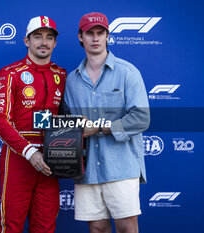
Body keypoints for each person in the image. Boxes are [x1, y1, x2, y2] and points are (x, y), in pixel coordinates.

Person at [63, 12, 150, 233]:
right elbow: (66, 120)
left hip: (121, 165)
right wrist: (72, 126)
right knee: (98, 228)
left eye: (100, 33)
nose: (95, 38)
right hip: (87, 169)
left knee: (126, 228)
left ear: (107, 36)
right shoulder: (71, 80)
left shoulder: (127, 72)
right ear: (80, 37)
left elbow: (141, 118)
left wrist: (101, 128)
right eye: (89, 33)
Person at [0, 16, 66, 233]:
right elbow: (0, 121)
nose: (44, 42)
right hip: (18, 157)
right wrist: (30, 152)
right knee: (11, 225)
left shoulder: (61, 74)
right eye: (38, 37)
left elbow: (65, 119)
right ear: (26, 41)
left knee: (45, 225)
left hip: (51, 160)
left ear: (55, 43)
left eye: (49, 37)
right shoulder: (9, 74)